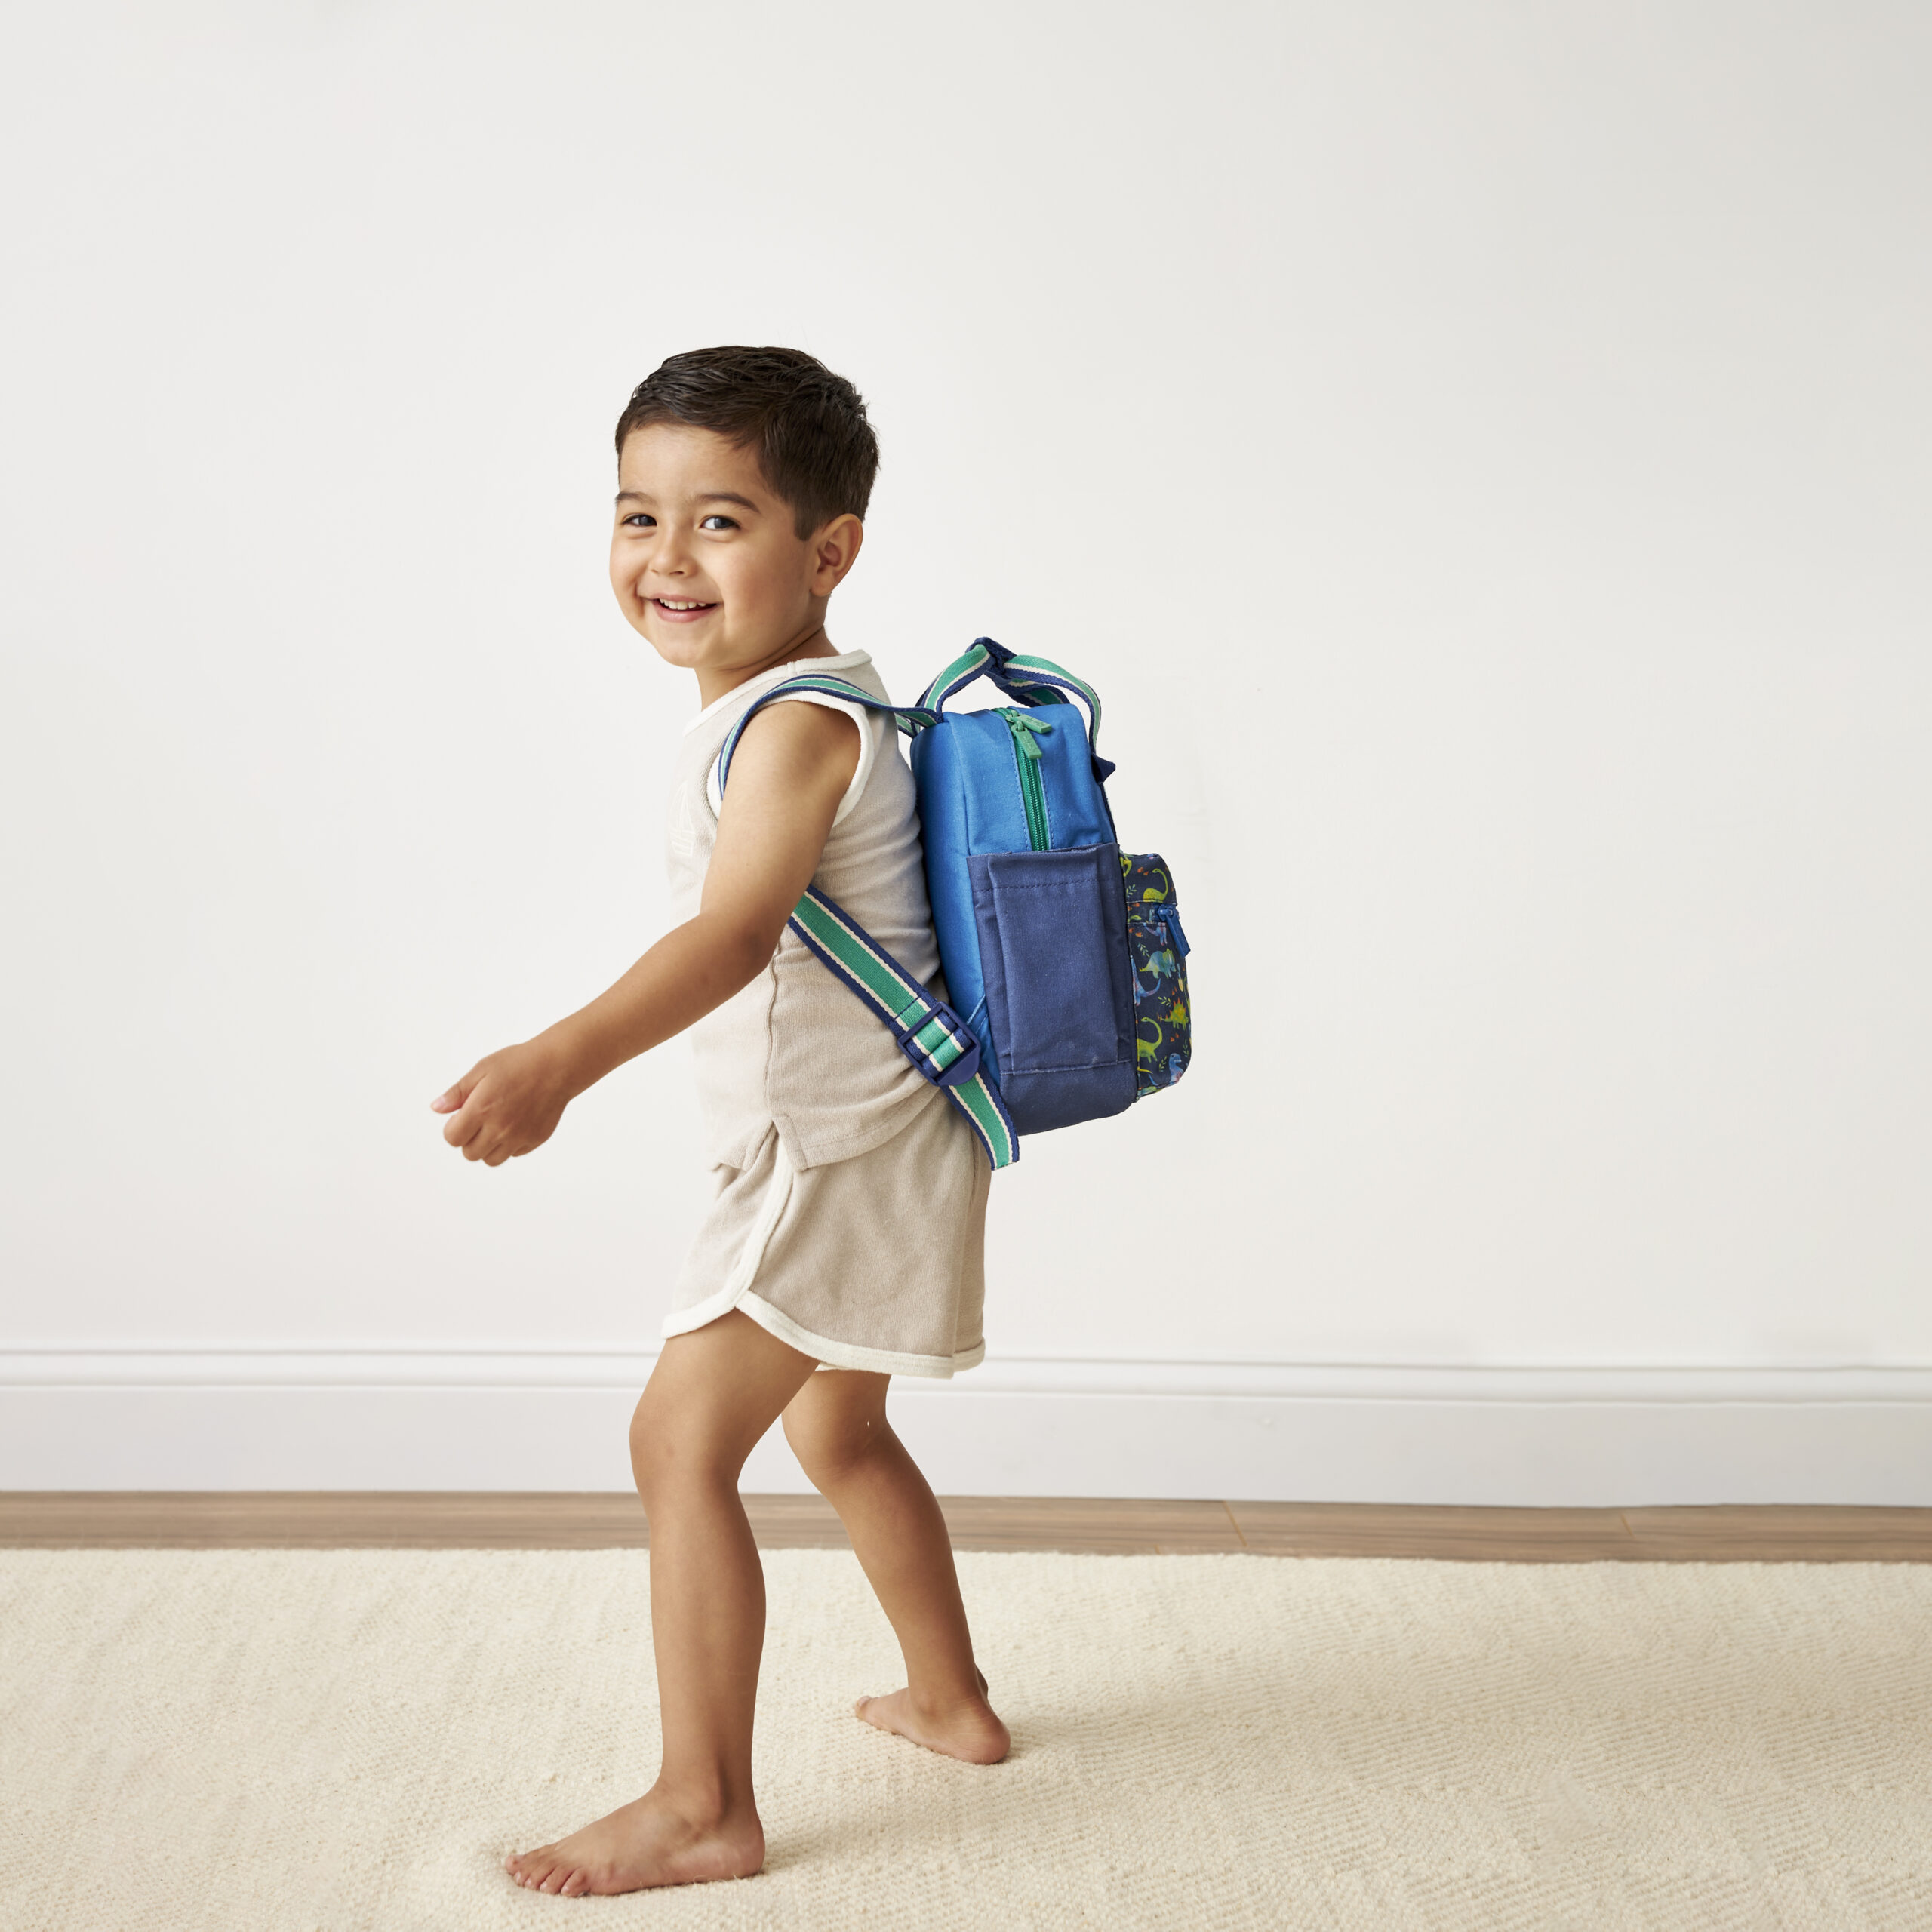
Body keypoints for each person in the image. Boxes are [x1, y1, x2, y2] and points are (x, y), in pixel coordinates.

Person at [432, 346, 1008, 1898]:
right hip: (889, 1133)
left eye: (721, 522)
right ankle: (947, 1700)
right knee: (834, 1421)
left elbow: (737, 932)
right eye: (637, 516)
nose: (666, 560)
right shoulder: (791, 707)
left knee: (674, 1439)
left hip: (833, 1150)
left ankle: (702, 1801)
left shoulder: (794, 727)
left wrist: (558, 1057)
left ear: (829, 550)